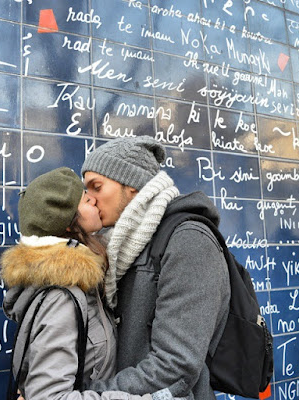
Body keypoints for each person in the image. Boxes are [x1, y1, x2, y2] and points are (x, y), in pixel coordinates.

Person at [0, 167, 170, 400]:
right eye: (85, 198)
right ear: (68, 223)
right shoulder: (62, 298)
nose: (94, 199)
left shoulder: (83, 281)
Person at [81, 136, 231, 399]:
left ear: (134, 187)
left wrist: (82, 395)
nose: (89, 200)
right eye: (86, 190)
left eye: (96, 187)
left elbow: (176, 366)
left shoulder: (188, 240)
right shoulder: (121, 245)